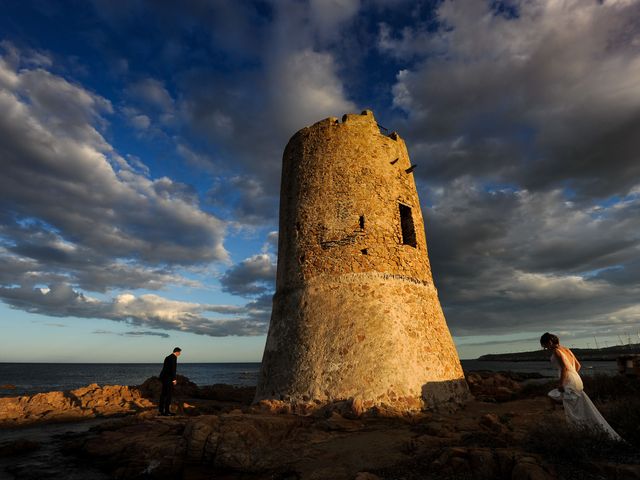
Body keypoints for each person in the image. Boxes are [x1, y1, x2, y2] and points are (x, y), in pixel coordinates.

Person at [540, 333, 620, 440]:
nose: (545, 348)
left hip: (569, 380)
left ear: (549, 342)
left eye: (545, 345)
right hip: (576, 379)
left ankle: (580, 432)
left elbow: (564, 368)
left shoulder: (556, 351)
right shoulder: (567, 349)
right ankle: (586, 430)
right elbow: (578, 365)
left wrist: (561, 382)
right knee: (577, 406)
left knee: (572, 408)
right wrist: (572, 375)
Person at [158, 347, 181, 416]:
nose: (180, 354)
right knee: (168, 395)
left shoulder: (167, 357)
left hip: (163, 378)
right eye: (179, 352)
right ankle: (167, 411)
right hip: (168, 379)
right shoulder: (174, 357)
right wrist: (174, 379)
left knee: (163, 394)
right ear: (177, 352)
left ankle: (161, 410)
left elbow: (165, 368)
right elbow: (173, 369)